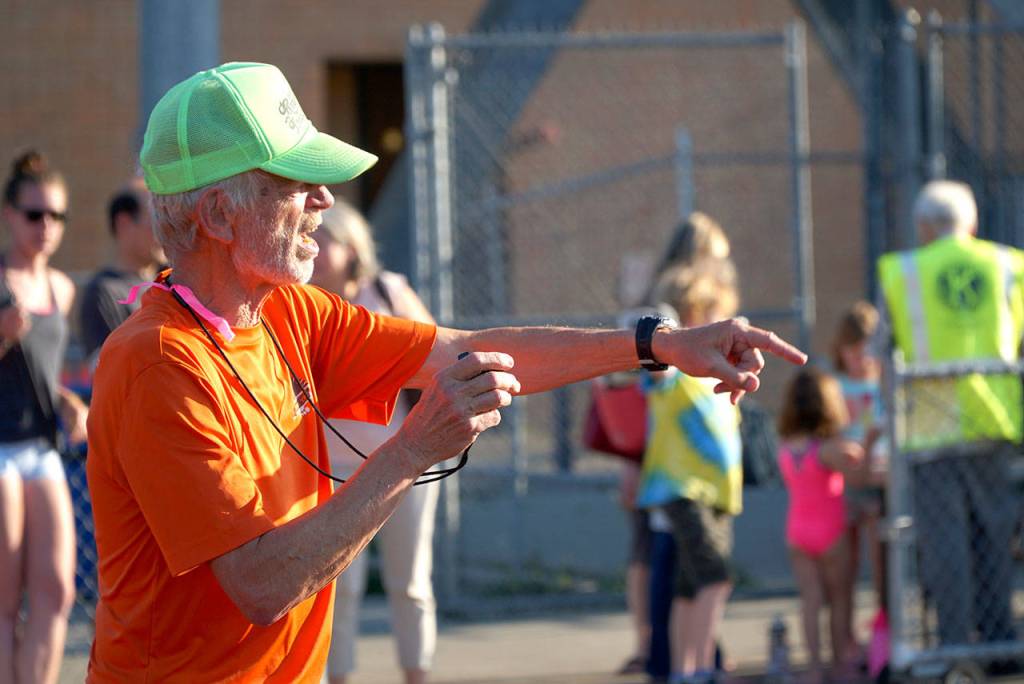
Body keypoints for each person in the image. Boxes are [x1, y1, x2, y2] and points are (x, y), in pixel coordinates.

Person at [84, 61, 806, 682]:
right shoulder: (156, 363)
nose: (323, 200)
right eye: (295, 180)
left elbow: (466, 349)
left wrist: (658, 343)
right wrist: (410, 450)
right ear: (217, 213)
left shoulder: (289, 312)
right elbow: (261, 584)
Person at [877, 179, 1022, 647]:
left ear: (922, 226)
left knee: (945, 545)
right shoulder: (1007, 265)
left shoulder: (904, 272)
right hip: (995, 421)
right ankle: (1001, 639)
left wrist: (888, 422)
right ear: (972, 222)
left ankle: (955, 644)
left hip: (930, 431)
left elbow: (884, 351)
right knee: (996, 539)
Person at [309, 201, 438, 684]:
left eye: (326, 238)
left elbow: (436, 358)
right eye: (312, 237)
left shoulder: (388, 291)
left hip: (405, 464)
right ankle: (338, 676)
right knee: (337, 588)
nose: (315, 247)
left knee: (411, 583)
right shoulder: (298, 303)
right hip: (331, 468)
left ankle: (416, 674)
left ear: (352, 246)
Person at [0, 151, 86, 684]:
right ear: (10, 215)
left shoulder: (62, 287)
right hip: (1, 449)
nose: (46, 227)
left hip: (43, 447)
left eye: (56, 217)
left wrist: (68, 401)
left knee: (57, 589)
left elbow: (43, 375)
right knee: (5, 600)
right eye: (35, 215)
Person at [636, 261, 742, 684]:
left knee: (688, 587)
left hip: (716, 492)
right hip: (685, 491)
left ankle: (685, 670)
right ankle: (698, 670)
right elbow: (657, 372)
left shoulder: (712, 368)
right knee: (715, 579)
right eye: (710, 314)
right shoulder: (674, 367)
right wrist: (666, 331)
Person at [776, 368, 864, 683]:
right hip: (831, 533)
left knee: (810, 601)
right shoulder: (828, 449)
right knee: (840, 600)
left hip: (798, 533)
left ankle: (814, 667)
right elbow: (859, 473)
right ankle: (840, 663)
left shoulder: (786, 448)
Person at [829, 300, 884, 653]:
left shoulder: (886, 384)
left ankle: (884, 635)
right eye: (852, 350)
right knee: (843, 573)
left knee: (882, 570)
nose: (858, 358)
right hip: (844, 487)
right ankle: (844, 642)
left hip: (878, 486)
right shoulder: (834, 386)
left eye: (865, 350)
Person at [79, 178, 165, 364]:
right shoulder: (103, 293)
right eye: (155, 219)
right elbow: (106, 372)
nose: (164, 228)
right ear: (124, 224)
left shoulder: (172, 281)